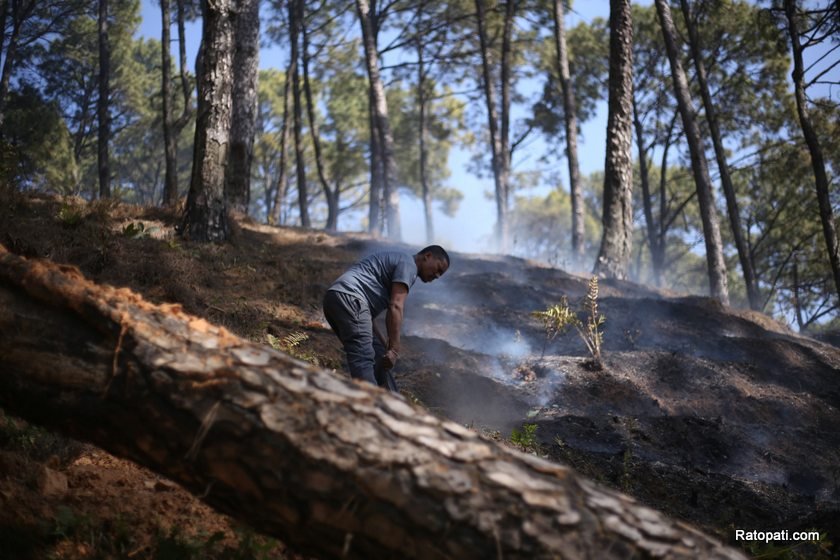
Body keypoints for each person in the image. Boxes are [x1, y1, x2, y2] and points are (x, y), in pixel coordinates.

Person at [323, 245, 450, 391]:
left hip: (335, 299)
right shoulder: (408, 264)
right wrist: (395, 349)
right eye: (439, 269)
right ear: (427, 256)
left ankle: (391, 399)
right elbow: (395, 306)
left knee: (377, 352)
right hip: (351, 298)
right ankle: (370, 405)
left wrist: (386, 346)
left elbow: (367, 317)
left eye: (442, 274)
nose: (438, 276)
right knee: (364, 357)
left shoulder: (400, 261)